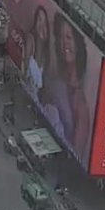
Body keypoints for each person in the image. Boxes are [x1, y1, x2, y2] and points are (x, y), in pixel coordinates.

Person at [41, 14, 91, 156]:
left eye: (69, 38)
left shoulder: (80, 104)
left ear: (78, 44)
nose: (64, 44)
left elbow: (76, 154)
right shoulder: (53, 79)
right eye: (61, 38)